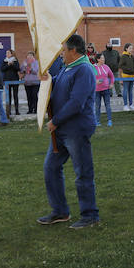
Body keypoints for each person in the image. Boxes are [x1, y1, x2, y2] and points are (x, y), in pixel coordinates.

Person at [37, 33, 100, 229]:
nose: (61, 53)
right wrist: (47, 79)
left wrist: (56, 120)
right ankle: (60, 211)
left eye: (64, 50)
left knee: (83, 172)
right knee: (51, 168)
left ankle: (90, 215)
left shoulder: (84, 70)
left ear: (73, 50)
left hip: (76, 129)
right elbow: (57, 84)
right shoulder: (68, 68)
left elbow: (76, 102)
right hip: (62, 130)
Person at [94, 53, 115, 126]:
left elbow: (112, 76)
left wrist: (112, 83)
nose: (104, 59)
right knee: (97, 106)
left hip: (106, 89)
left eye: (104, 58)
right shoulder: (93, 68)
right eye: (102, 58)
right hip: (96, 91)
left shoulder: (106, 67)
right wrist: (95, 81)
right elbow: (89, 78)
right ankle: (97, 121)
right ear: (98, 59)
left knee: (108, 105)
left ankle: (109, 120)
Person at [1, 49, 21, 118]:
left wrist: (12, 64)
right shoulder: (4, 61)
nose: (7, 54)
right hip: (7, 80)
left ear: (12, 54)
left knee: (15, 95)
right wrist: (8, 65)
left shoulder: (15, 60)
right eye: (6, 53)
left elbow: (18, 68)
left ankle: (17, 110)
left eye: (8, 53)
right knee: (8, 96)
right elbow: (2, 69)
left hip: (15, 79)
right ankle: (8, 111)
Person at [119, 43, 134, 111]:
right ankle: (125, 105)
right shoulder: (123, 56)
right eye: (130, 48)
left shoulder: (131, 56)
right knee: (125, 90)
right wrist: (121, 78)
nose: (131, 50)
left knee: (130, 91)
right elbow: (120, 66)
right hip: (125, 76)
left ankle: (131, 104)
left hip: (131, 76)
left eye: (132, 48)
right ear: (126, 49)